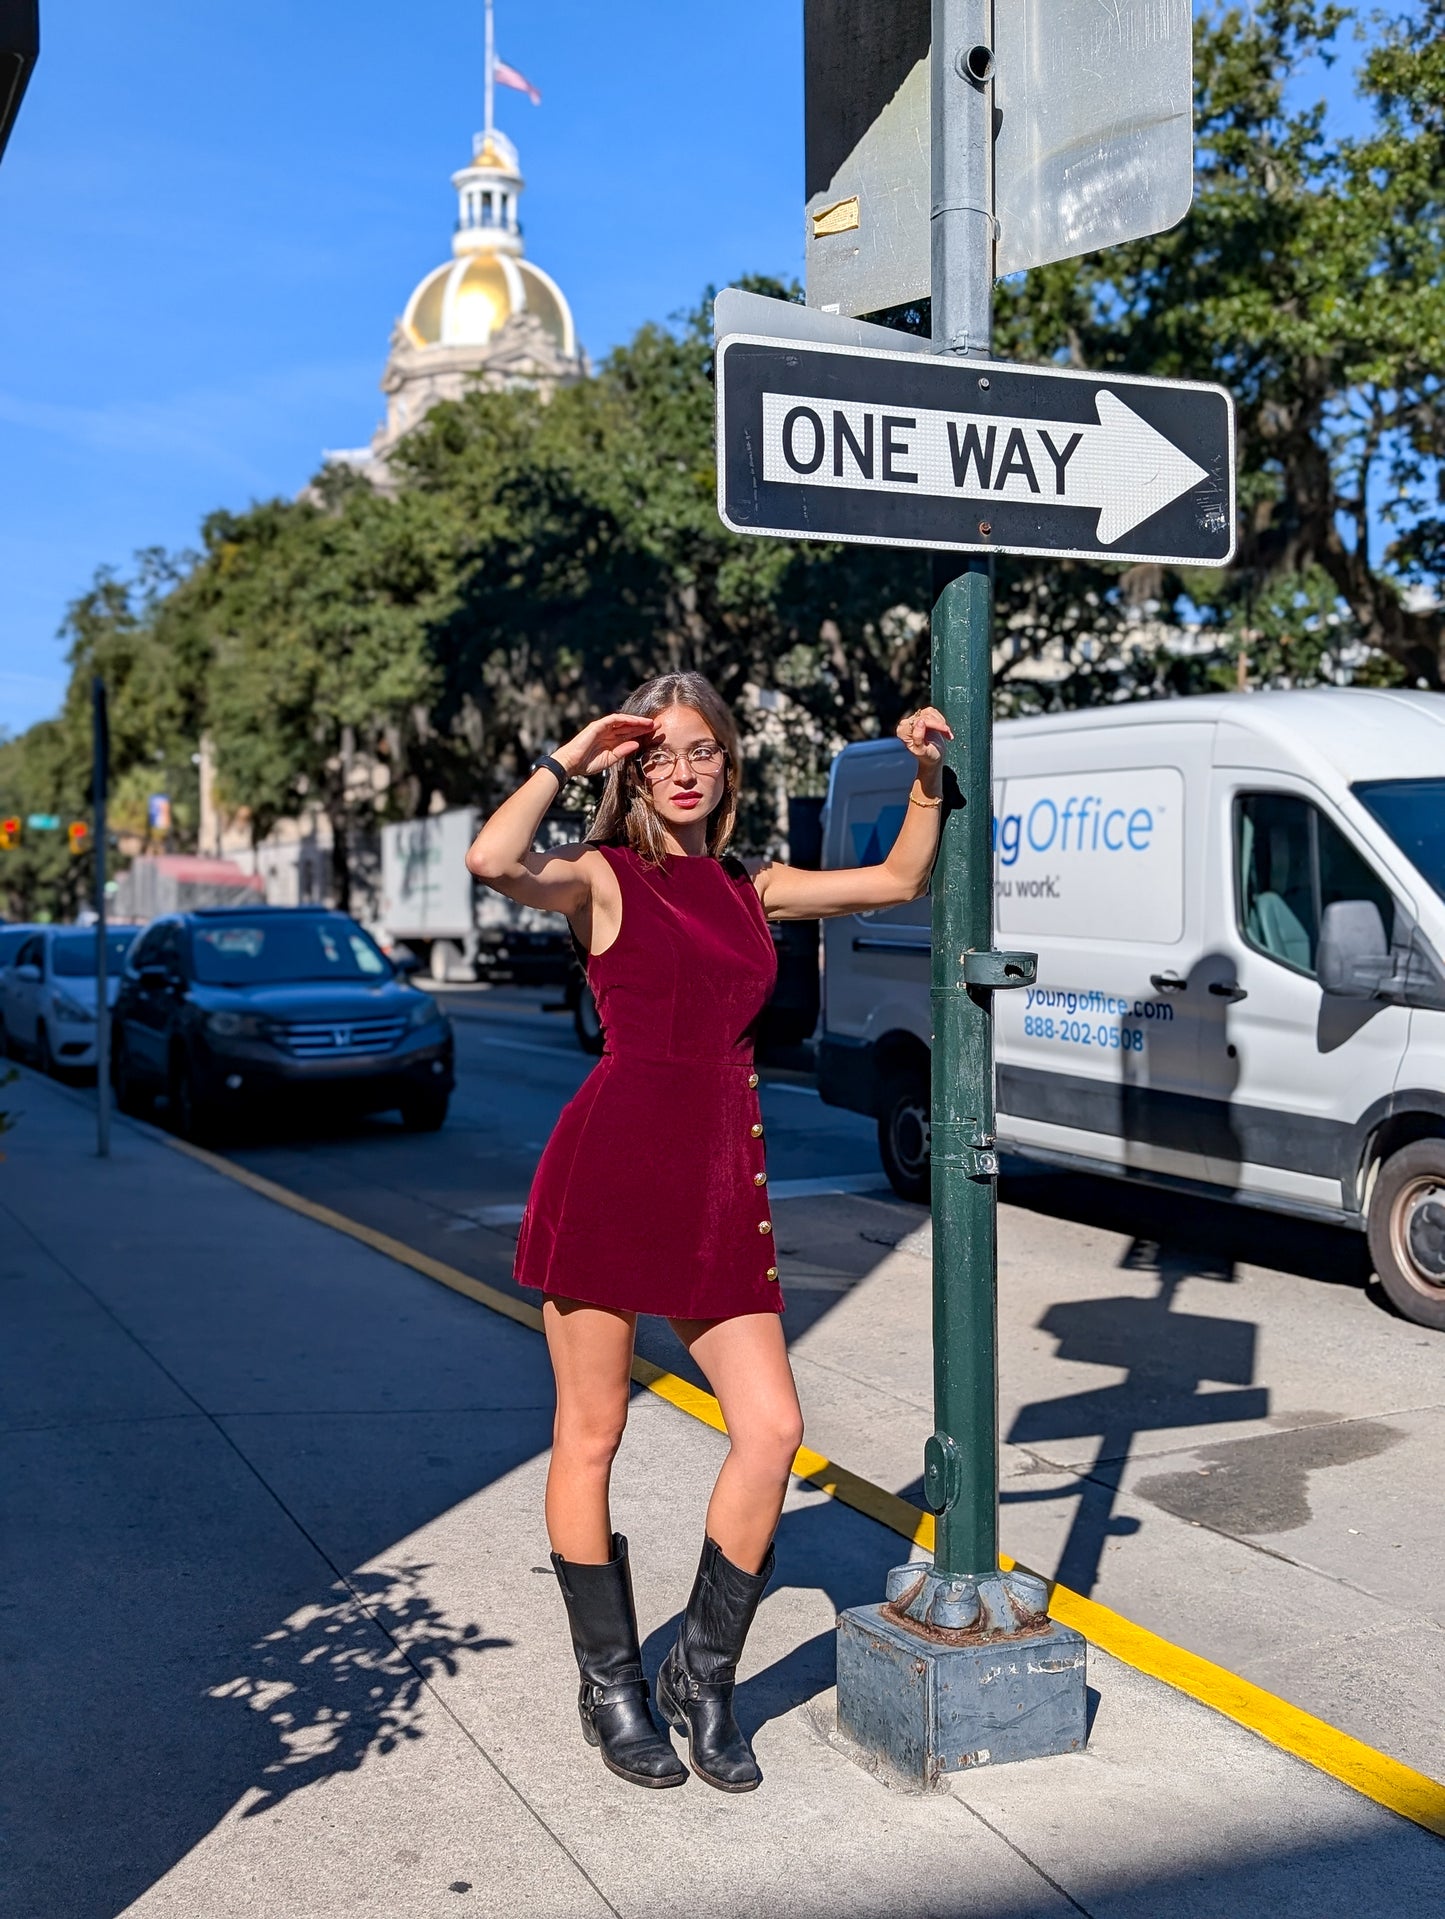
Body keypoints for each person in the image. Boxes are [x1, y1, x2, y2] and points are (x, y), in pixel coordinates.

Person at [465, 672, 952, 1792]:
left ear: (727, 768)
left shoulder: (749, 884)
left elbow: (893, 876)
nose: (685, 769)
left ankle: (701, 1672)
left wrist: (925, 775)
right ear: (635, 773)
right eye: (661, 753)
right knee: (590, 1434)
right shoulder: (601, 874)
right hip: (608, 1174)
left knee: (771, 1426)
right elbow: (492, 861)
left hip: (718, 1183)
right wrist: (572, 750)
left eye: (704, 752)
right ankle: (609, 1687)